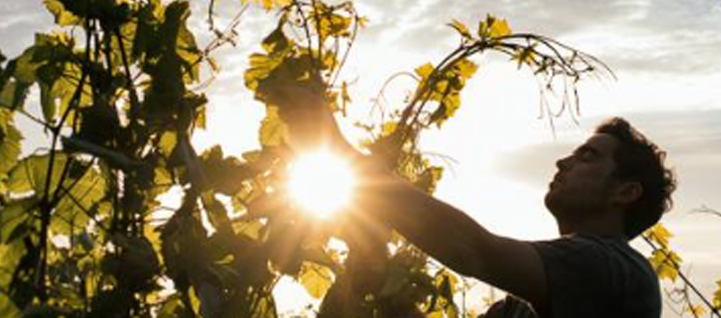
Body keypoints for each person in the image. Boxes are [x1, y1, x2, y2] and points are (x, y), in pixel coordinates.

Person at [270, 88, 674, 318]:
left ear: (625, 192)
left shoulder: (613, 267)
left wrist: (347, 160)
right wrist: (374, 268)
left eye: (587, 157)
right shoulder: (516, 308)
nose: (562, 161)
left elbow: (474, 249)